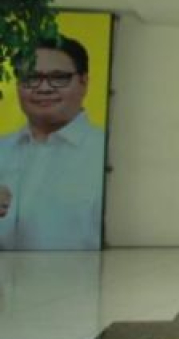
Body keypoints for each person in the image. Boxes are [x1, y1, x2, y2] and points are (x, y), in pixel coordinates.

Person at [0, 36, 106, 251]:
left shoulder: (108, 152)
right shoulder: (3, 149)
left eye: (59, 78)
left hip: (86, 273)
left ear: (84, 82)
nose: (44, 88)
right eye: (31, 77)